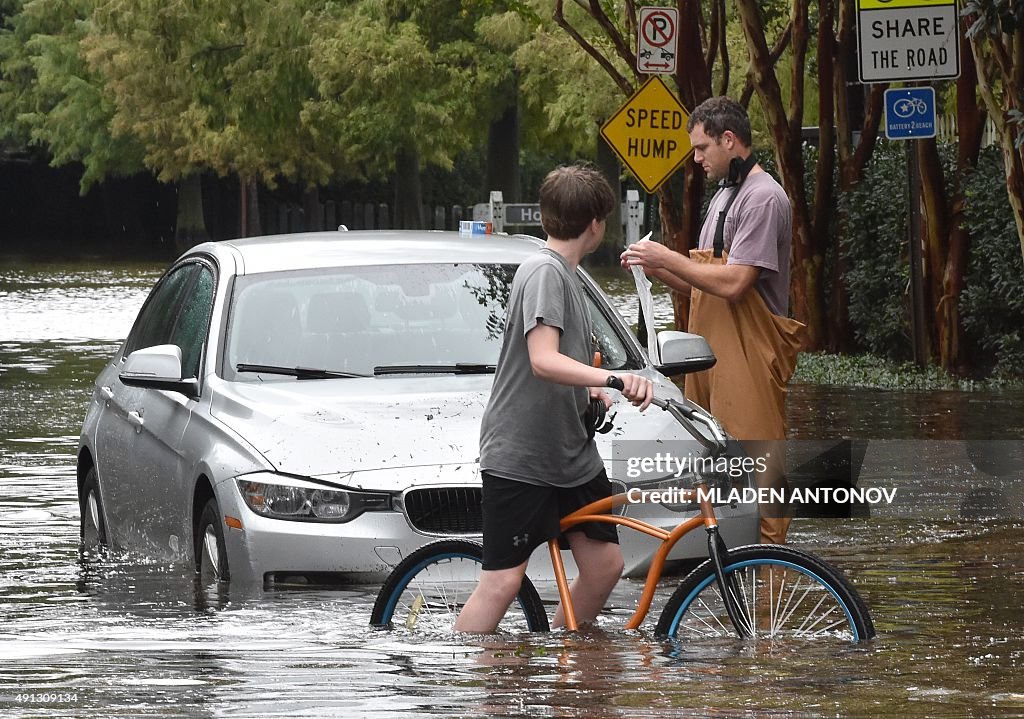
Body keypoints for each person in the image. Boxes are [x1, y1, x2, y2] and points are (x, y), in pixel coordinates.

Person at [454, 164, 654, 633]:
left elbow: (558, 364)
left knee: (604, 567)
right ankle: (462, 673)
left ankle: (564, 666)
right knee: (503, 581)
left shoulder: (566, 275)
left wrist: (590, 391)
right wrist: (614, 380)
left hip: (570, 457)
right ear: (597, 225)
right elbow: (542, 358)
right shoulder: (545, 272)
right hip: (523, 458)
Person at [620, 96, 805, 545]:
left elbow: (736, 283)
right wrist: (656, 267)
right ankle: (725, 580)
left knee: (759, 469)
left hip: (749, 356)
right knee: (715, 469)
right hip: (709, 355)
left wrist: (668, 256)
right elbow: (705, 284)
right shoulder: (725, 195)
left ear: (729, 140)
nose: (697, 159)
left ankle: (771, 589)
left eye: (702, 148)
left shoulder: (763, 198)